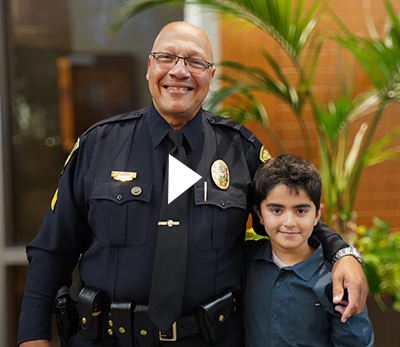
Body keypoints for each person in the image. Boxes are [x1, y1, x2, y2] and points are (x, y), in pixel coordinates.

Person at [18, 21, 368, 347]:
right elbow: (53, 250)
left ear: (210, 75)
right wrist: (33, 338)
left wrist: (343, 254)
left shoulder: (241, 151)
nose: (179, 71)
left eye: (195, 62)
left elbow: (289, 215)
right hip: (108, 337)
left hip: (211, 337)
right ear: (150, 68)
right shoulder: (98, 145)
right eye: (166, 57)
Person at [244, 154, 374, 347]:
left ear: (317, 215)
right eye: (276, 210)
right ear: (259, 214)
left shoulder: (337, 281)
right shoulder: (245, 262)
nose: (289, 223)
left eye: (301, 211)